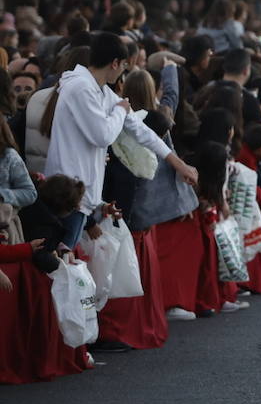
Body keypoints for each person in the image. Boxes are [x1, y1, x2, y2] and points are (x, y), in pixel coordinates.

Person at [45, 33, 198, 250]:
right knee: (60, 267)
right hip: (67, 193)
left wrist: (178, 163)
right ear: (115, 63)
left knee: (68, 264)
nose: (123, 72)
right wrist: (119, 111)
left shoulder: (102, 92)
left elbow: (141, 130)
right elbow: (103, 135)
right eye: (124, 66)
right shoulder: (79, 87)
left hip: (83, 195)